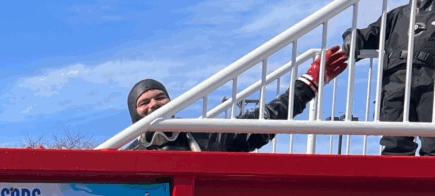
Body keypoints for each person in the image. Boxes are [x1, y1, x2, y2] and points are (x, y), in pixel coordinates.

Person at [125, 46, 348, 151]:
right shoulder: (125, 158)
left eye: (160, 98)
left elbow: (266, 119)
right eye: (144, 102)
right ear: (134, 113)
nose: (154, 105)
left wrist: (309, 83)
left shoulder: (205, 138)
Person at [343, 0, 435, 156]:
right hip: (395, 85)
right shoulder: (396, 16)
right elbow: (369, 34)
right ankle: (394, 180)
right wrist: (352, 35)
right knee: (395, 143)